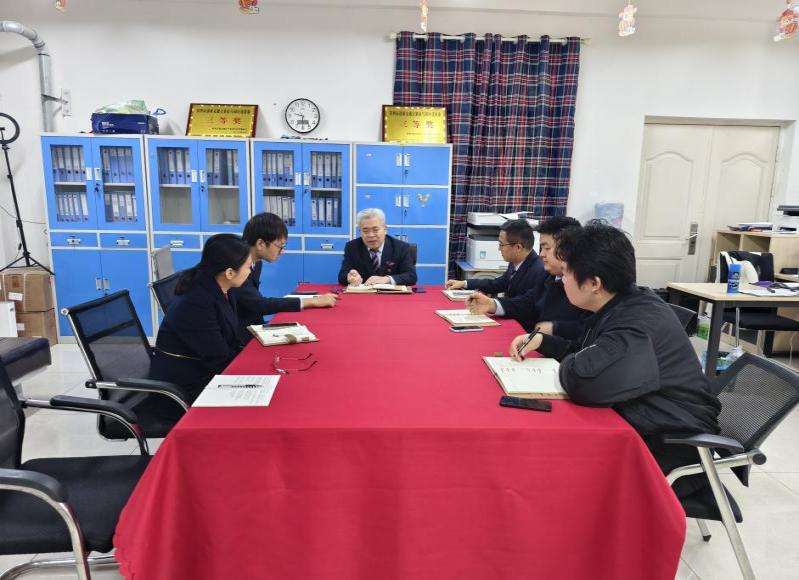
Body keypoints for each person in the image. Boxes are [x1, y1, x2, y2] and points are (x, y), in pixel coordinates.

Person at [509, 222, 721, 498]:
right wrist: (544, 341)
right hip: (645, 423)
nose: (563, 280)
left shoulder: (636, 323)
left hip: (670, 446)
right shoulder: (620, 304)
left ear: (594, 283)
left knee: (549, 468)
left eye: (567, 272)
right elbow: (585, 351)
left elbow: (586, 381)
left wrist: (571, 362)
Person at [149, 234, 252, 402]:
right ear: (229, 273)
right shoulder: (196, 302)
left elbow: (230, 341)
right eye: (248, 267)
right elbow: (217, 358)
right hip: (185, 388)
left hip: (207, 372)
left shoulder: (222, 287)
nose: (250, 271)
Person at [466, 216, 586, 337]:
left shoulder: (584, 284)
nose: (541, 254)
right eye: (542, 248)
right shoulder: (548, 276)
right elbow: (527, 303)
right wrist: (492, 304)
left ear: (567, 250)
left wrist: (556, 328)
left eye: (547, 248)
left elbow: (586, 331)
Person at [234, 213, 337, 337]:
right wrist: (312, 302)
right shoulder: (237, 266)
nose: (283, 251)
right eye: (280, 246)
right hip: (241, 335)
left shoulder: (257, 262)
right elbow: (258, 304)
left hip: (254, 325)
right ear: (260, 244)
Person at [447, 218, 545, 301]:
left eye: (501, 244)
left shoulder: (539, 271)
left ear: (518, 247)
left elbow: (524, 305)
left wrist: (492, 304)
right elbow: (497, 284)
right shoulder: (515, 262)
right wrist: (464, 283)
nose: (499, 249)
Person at [338, 208, 417, 286]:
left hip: (390, 293)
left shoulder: (401, 247)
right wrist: (350, 277)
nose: (371, 235)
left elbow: (411, 276)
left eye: (375, 230)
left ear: (385, 229)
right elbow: (342, 276)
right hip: (364, 293)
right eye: (365, 231)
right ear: (360, 232)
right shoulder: (352, 247)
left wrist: (386, 279)